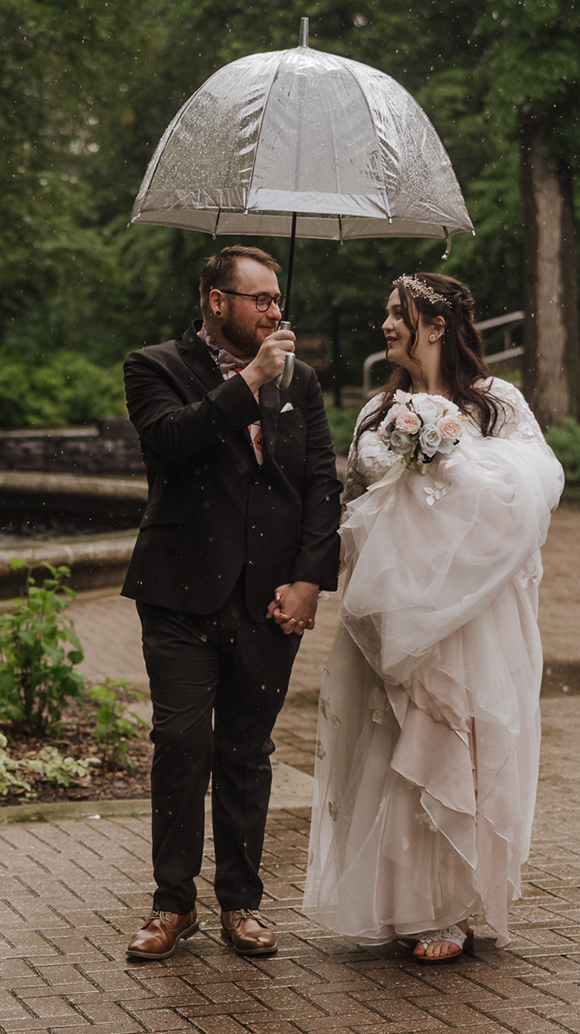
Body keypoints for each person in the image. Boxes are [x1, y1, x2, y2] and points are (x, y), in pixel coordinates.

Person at [303, 272, 564, 962]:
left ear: (438, 324)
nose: (387, 325)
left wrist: (447, 461)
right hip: (396, 611)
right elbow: (352, 502)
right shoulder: (377, 411)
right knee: (394, 750)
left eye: (400, 313)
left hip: (471, 615)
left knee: (457, 743)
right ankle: (406, 905)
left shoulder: (494, 403)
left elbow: (532, 491)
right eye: (387, 313)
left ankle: (451, 907)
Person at [120, 245, 343, 961]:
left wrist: (309, 580)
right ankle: (172, 904)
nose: (275, 311)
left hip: (266, 601)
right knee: (182, 744)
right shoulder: (153, 367)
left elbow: (320, 482)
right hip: (179, 595)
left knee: (248, 752)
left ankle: (242, 903)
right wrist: (250, 380)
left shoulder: (301, 381)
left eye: (278, 299)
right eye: (260, 299)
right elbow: (174, 441)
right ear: (218, 302)